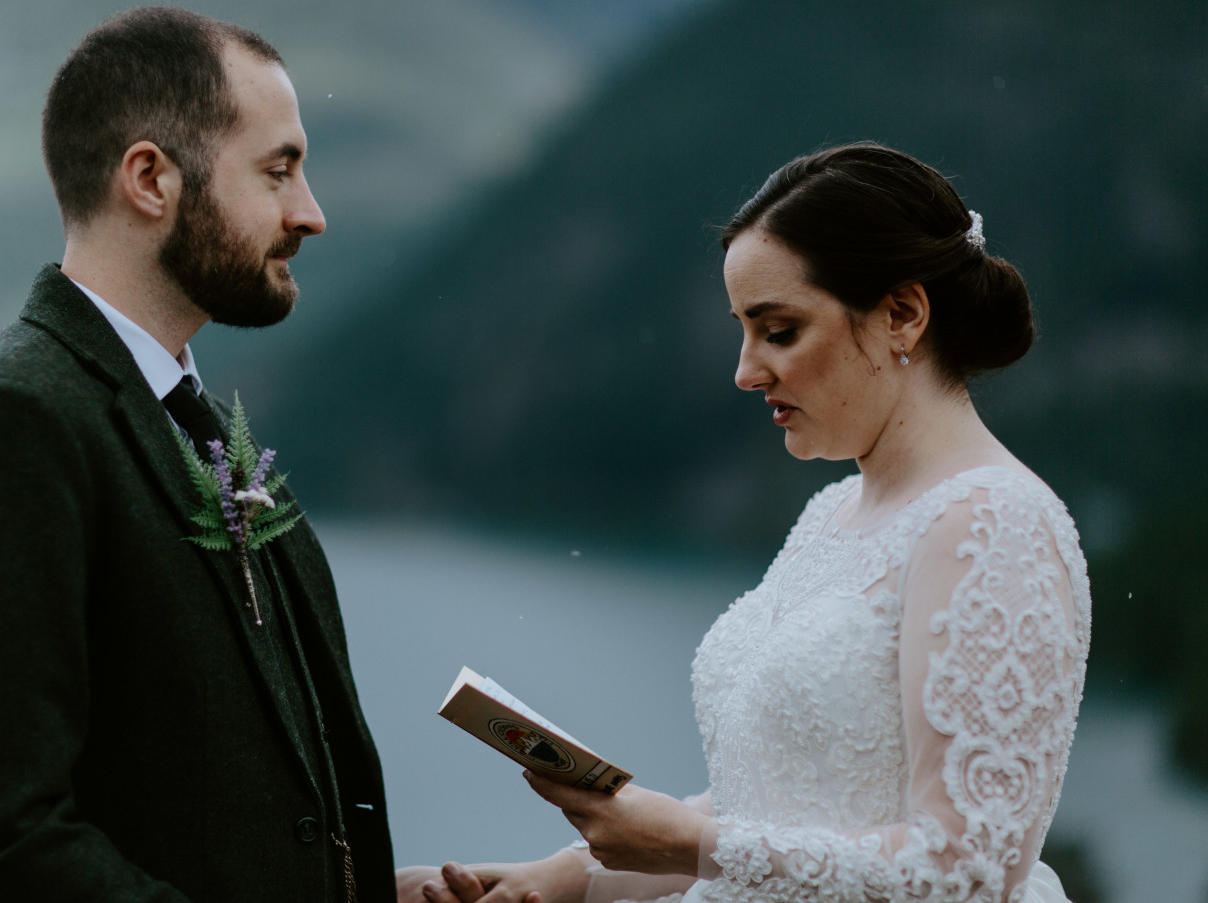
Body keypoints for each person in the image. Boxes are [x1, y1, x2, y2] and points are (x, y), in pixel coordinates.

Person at [399, 143, 1090, 903]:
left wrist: (688, 842)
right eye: (743, 329)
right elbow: (776, 805)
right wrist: (563, 877)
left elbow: (969, 870)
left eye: (780, 329)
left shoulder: (994, 524)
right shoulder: (830, 514)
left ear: (903, 313)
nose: (745, 369)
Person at [0, 7, 395, 902]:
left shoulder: (188, 421)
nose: (309, 213)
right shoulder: (6, 424)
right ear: (150, 178)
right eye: (279, 171)